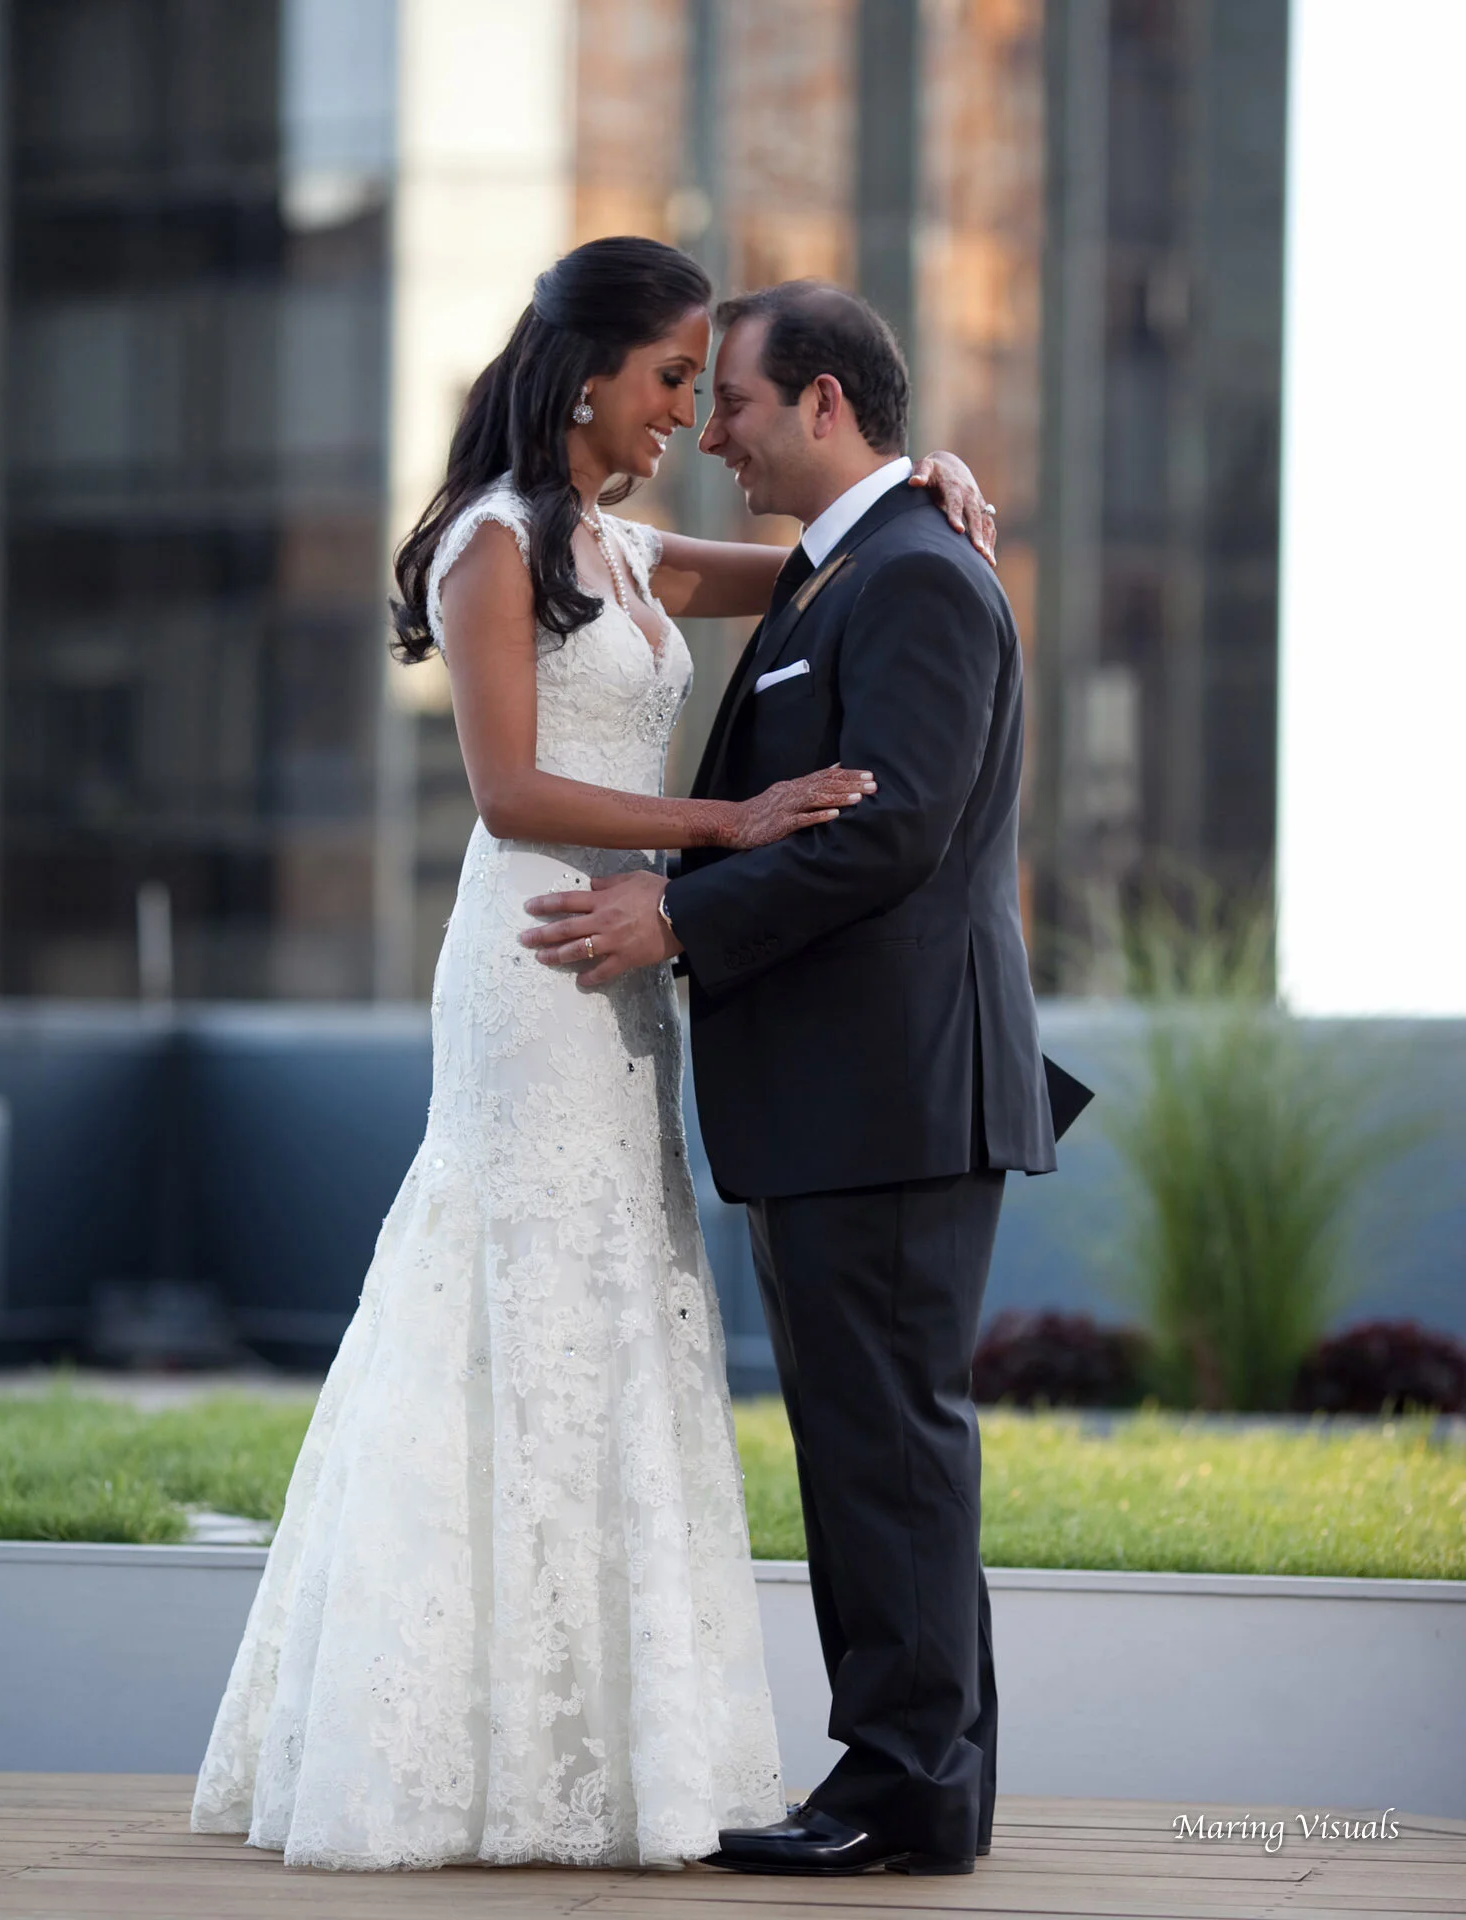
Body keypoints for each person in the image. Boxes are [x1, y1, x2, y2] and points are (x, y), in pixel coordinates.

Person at [188, 237, 994, 1871]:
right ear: (585, 375)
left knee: (616, 1312)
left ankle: (602, 1750)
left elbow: (828, 555)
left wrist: (928, 476)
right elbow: (507, 794)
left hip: (636, 961)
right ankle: (450, 1742)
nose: (689, 415)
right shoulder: (492, 543)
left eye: (713, 387)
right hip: (545, 955)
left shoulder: (625, 551)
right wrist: (728, 823)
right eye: (673, 379)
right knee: (512, 1301)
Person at [520, 280, 1065, 1877]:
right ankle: (920, 1787)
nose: (713, 435)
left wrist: (676, 915)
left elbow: (890, 829)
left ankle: (901, 1787)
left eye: (738, 402)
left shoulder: (917, 579)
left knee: (888, 1449)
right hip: (846, 1097)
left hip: (889, 1095)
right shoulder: (857, 566)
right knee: (874, 1446)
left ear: (824, 402)